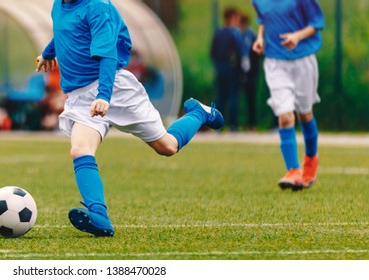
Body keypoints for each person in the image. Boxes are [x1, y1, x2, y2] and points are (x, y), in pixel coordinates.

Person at [36, 0, 225, 237]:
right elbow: (64, 32)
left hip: (115, 88)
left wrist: (105, 95)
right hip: (81, 97)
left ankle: (199, 112)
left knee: (167, 146)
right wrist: (47, 53)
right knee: (80, 149)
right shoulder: (59, 5)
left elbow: (107, 54)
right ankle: (99, 217)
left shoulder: (97, 7)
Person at [251, 0, 323, 190]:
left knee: (305, 114)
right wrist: (260, 38)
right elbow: (263, 19)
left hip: (303, 59)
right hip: (275, 61)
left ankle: (310, 161)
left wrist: (297, 36)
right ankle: (293, 171)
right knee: (284, 115)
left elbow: (316, 23)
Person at [211, 7, 244, 131]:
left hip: (220, 68)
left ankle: (217, 125)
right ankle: (233, 124)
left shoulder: (218, 33)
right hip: (232, 69)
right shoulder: (234, 34)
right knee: (233, 96)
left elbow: (212, 52)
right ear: (232, 18)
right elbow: (239, 54)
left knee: (220, 96)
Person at [238, 13, 261, 131]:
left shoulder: (251, 36)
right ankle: (237, 124)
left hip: (251, 73)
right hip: (239, 73)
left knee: (251, 100)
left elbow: (257, 54)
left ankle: (252, 124)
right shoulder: (238, 35)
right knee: (238, 99)